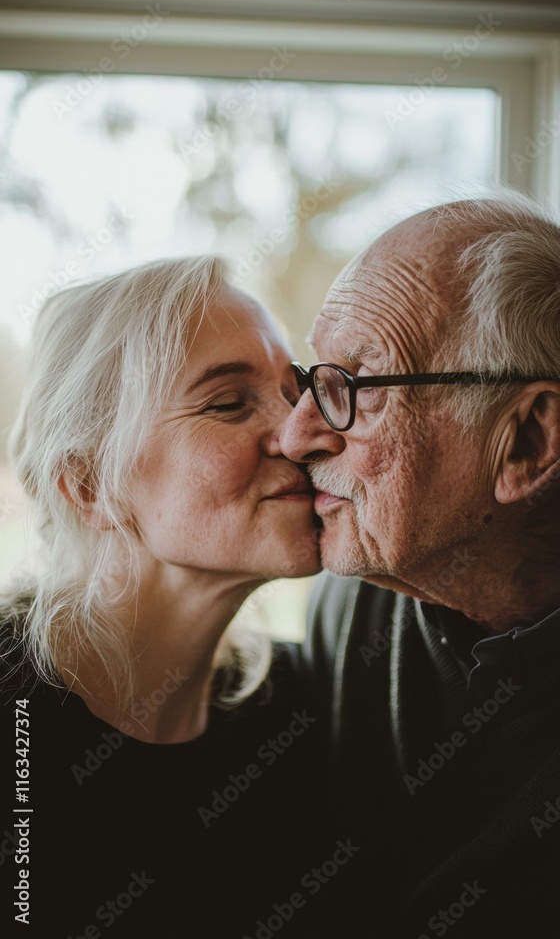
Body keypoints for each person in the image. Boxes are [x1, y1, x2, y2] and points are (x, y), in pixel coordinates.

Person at [0, 256, 327, 938]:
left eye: (296, 391)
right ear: (91, 486)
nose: (302, 429)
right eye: (230, 403)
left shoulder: (309, 708)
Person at [279, 191, 560, 939]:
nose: (295, 434)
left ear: (528, 442)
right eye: (313, 383)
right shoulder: (352, 605)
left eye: (356, 390)